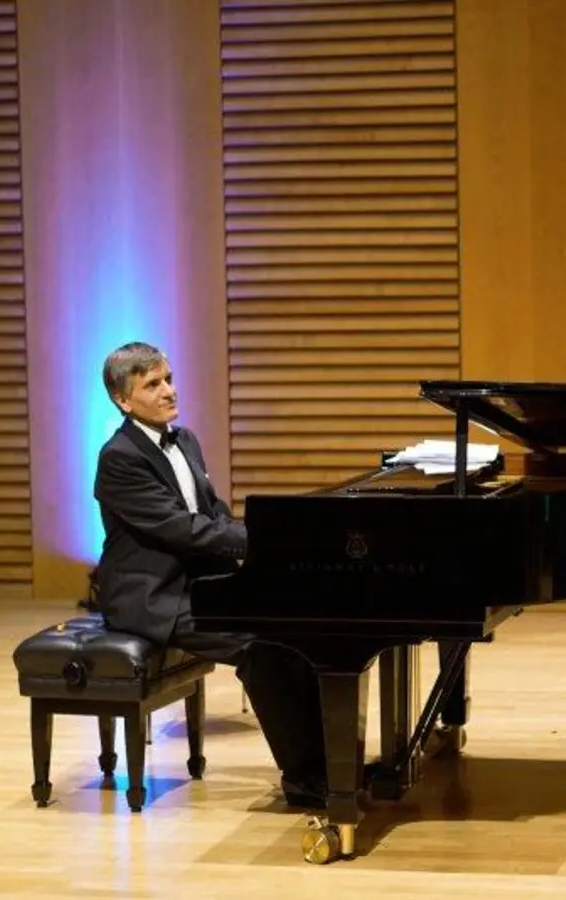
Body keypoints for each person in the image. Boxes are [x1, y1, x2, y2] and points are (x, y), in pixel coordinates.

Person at [91, 341, 329, 808]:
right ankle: (305, 779)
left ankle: (332, 763)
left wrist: (261, 550)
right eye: (153, 384)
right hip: (152, 594)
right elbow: (180, 529)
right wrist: (260, 543)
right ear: (123, 399)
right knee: (259, 647)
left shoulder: (186, 439)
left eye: (169, 378)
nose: (169, 391)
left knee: (299, 630)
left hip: (198, 582)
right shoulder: (118, 457)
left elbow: (211, 513)